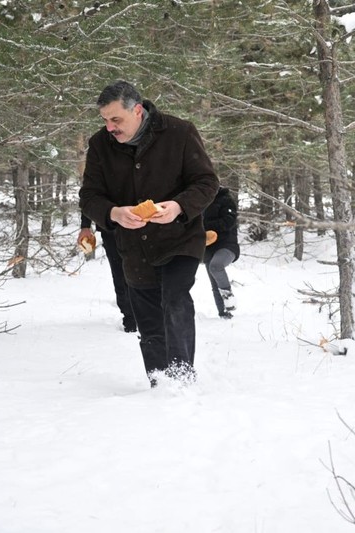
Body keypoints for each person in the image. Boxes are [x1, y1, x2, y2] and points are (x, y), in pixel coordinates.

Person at [78, 81, 219, 386]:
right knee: (148, 317)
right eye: (105, 120)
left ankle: (181, 380)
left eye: (116, 119)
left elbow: (207, 183)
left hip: (179, 238)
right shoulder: (100, 145)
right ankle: (159, 383)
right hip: (132, 245)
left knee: (174, 299)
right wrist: (115, 214)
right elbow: (89, 196)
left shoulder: (179, 133)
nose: (110, 127)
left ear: (138, 110)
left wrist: (179, 206)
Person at [78, 214, 137, 333]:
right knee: (119, 272)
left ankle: (144, 314)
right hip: (111, 227)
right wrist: (85, 226)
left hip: (140, 224)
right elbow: (89, 197)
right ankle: (130, 317)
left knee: (141, 271)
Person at [202, 186, 239, 319]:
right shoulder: (200, 202)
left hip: (227, 245)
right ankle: (223, 313)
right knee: (214, 282)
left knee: (215, 266)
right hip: (208, 246)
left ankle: (228, 297)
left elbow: (229, 221)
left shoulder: (226, 200)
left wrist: (205, 226)